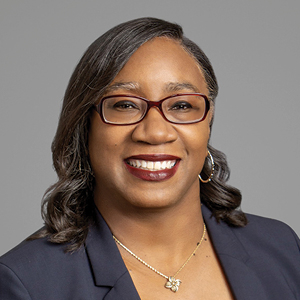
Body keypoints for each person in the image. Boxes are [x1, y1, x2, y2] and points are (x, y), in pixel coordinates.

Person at [0, 17, 299, 300]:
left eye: (182, 104)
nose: (155, 132)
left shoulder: (282, 249)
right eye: (125, 105)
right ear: (84, 127)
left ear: (207, 124)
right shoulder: (27, 282)